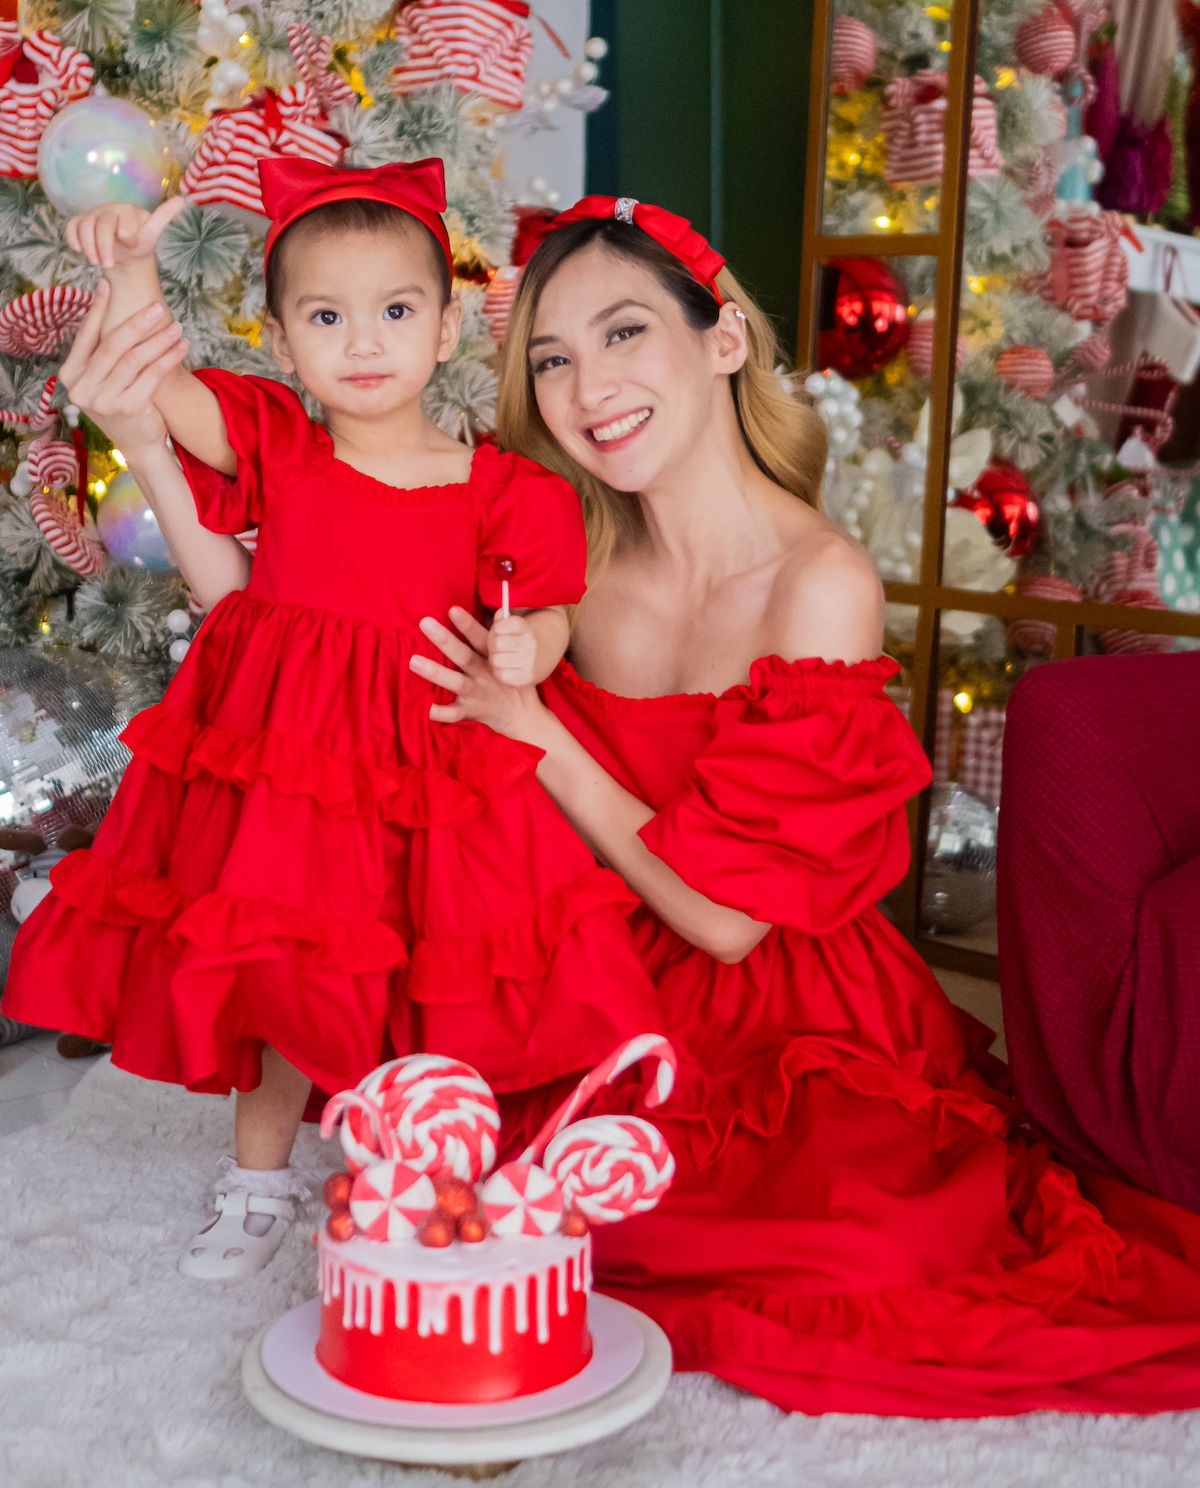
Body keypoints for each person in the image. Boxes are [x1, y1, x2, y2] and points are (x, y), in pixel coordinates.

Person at [405, 195, 1200, 1417]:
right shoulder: (568, 559)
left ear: (724, 339)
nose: (587, 388)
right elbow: (324, 576)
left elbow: (729, 923)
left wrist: (539, 735)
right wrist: (151, 430)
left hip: (784, 1004)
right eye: (551, 360)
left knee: (855, 1250)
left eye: (624, 333)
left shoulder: (818, 581)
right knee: (497, 1203)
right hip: (598, 976)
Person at [1, 163, 659, 1282]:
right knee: (283, 972)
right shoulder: (282, 446)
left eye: (396, 311)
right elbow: (161, 386)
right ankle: (258, 1180)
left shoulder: (507, 489)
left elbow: (546, 609)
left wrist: (529, 649)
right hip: (294, 772)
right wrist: (135, 271)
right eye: (325, 317)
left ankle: (433, 1171)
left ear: (446, 328)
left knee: (444, 976)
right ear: (281, 339)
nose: (363, 343)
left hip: (435, 762)